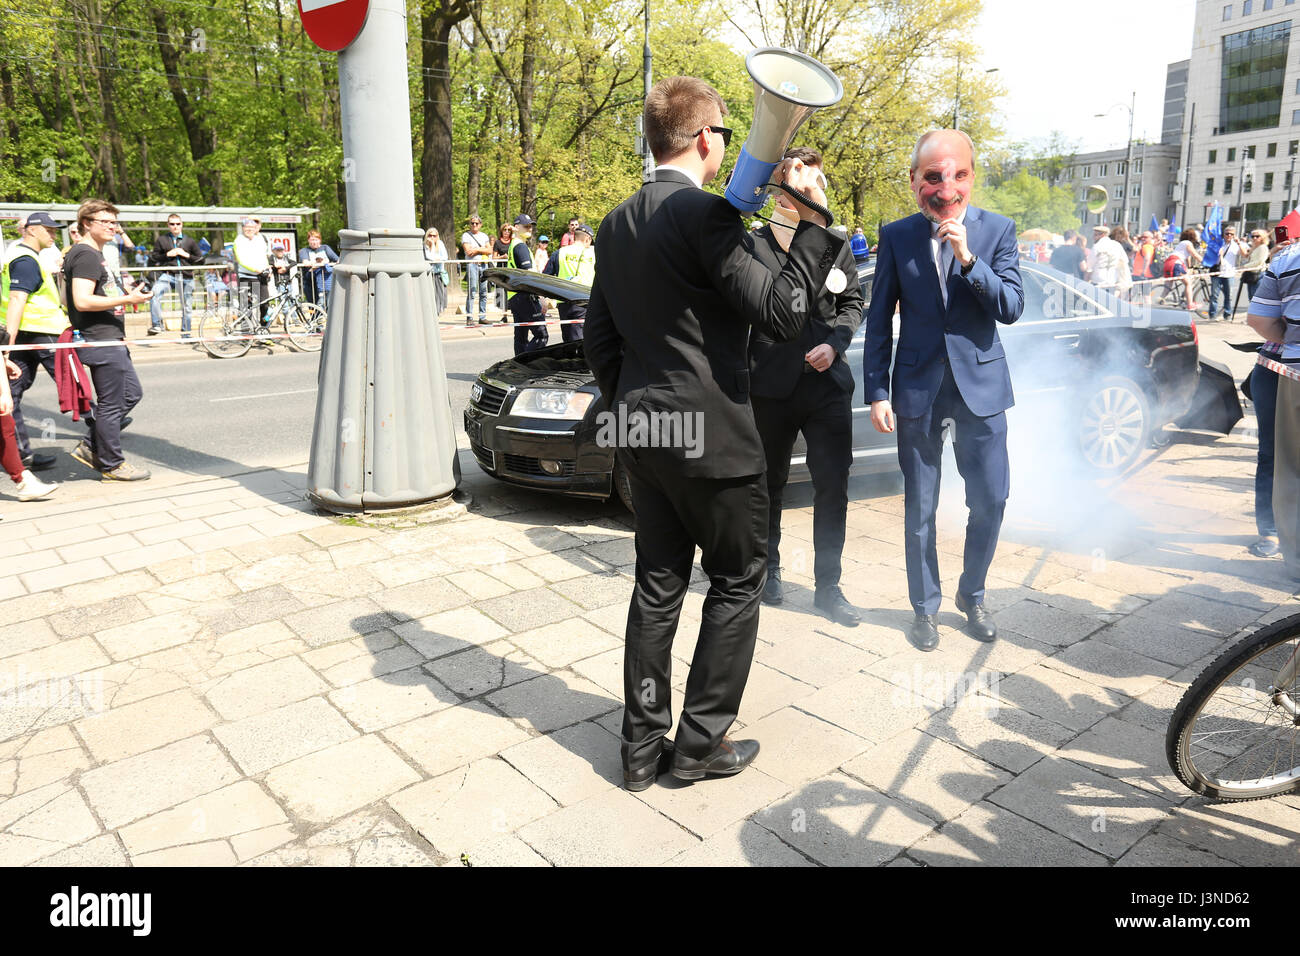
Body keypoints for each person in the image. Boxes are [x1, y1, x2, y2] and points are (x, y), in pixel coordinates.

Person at [583, 75, 841, 789]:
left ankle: (640, 750)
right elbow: (784, 315)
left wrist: (635, 404)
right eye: (725, 133)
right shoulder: (709, 216)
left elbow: (599, 338)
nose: (727, 145)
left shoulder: (616, 221)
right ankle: (698, 745)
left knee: (657, 584)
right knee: (736, 581)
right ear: (704, 139)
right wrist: (813, 220)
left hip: (643, 432)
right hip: (715, 440)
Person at [864, 128, 1024, 652]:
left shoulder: (997, 230)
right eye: (933, 176)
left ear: (972, 178)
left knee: (992, 499)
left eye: (958, 175)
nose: (946, 188)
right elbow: (879, 319)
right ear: (915, 181)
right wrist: (877, 390)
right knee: (920, 507)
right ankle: (924, 608)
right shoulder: (897, 236)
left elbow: (1011, 308)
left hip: (982, 388)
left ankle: (972, 595)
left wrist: (969, 260)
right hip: (918, 389)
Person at [750, 147, 863, 627]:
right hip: (771, 383)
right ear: (780, 188)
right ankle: (768, 572)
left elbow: (852, 303)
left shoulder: (836, 243)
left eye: (815, 180)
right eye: (800, 179)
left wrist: (835, 345)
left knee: (832, 486)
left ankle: (828, 587)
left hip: (827, 386)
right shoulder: (755, 244)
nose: (811, 187)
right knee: (767, 484)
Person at [63, 199, 153, 481]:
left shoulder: (92, 254)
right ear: (86, 223)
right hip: (100, 340)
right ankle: (112, 464)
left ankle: (91, 446)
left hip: (109, 337)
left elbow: (80, 296)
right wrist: (127, 299)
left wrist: (124, 293)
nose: (113, 227)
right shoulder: (86, 255)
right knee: (112, 405)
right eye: (106, 222)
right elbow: (81, 300)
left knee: (130, 394)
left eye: (115, 222)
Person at [1246, 219, 1300, 579]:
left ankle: (1288, 547)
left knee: (1282, 459)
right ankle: (1270, 531)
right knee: (1275, 455)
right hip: (1277, 368)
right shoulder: (1285, 258)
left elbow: (1260, 319)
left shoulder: (1288, 259)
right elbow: (1259, 319)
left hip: (1287, 367)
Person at [1, 211, 72, 475]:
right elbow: (17, 300)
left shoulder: (27, 256)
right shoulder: (26, 260)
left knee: (12, 392)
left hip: (31, 331)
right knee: (72, 386)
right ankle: (102, 434)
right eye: (48, 230)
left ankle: (22, 454)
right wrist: (8, 344)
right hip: (43, 331)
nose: (53, 235)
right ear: (31, 230)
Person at [147, 213, 203, 338]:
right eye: (172, 224)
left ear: (182, 224)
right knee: (154, 293)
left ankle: (186, 334)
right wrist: (167, 254)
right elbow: (153, 257)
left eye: (178, 224)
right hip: (168, 275)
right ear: (168, 225)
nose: (175, 226)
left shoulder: (189, 240)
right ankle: (157, 324)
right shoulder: (162, 240)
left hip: (187, 277)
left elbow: (201, 260)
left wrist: (185, 254)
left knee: (187, 307)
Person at [506, 214, 547, 355]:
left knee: (521, 337)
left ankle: (517, 366)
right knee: (541, 336)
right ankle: (526, 364)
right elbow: (529, 275)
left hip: (515, 296)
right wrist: (541, 297)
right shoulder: (520, 247)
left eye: (531, 226)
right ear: (516, 227)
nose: (530, 228)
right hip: (525, 296)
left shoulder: (514, 245)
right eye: (526, 226)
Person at [547, 221, 595, 341]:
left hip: (563, 301)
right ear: (588, 239)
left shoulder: (559, 253)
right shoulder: (594, 253)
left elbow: (546, 276)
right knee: (580, 338)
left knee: (567, 338)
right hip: (584, 300)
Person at [234, 217, 271, 323]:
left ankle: (264, 327)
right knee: (245, 306)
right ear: (243, 228)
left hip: (261, 276)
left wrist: (267, 268)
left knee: (265, 304)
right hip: (246, 277)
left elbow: (264, 256)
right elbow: (240, 260)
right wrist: (255, 269)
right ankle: (246, 330)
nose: (249, 229)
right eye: (247, 227)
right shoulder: (239, 240)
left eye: (252, 227)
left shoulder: (260, 239)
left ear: (255, 228)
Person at [460, 216, 493, 326]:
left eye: (476, 223)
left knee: (483, 292)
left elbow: (490, 250)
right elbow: (469, 252)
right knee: (472, 291)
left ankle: (482, 317)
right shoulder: (466, 235)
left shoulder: (484, 236)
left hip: (483, 265)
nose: (474, 225)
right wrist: (483, 250)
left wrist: (477, 249)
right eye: (472, 223)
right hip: (472, 265)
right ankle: (469, 317)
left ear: (480, 225)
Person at [1209, 225, 1246, 321]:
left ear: (1234, 235)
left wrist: (1239, 243)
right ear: (1224, 234)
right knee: (1214, 295)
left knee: (1228, 296)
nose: (1229, 235)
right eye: (1227, 233)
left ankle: (1227, 314)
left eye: (1231, 234)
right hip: (1217, 272)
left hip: (1229, 273)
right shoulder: (1218, 243)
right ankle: (1212, 315)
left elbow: (1244, 254)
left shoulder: (1235, 245)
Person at [299, 229, 338, 311]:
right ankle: (315, 318)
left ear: (320, 240)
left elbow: (337, 260)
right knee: (313, 305)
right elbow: (306, 262)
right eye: (312, 240)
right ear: (308, 240)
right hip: (310, 282)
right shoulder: (304, 251)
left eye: (316, 239)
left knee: (328, 304)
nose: (314, 242)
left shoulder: (325, 248)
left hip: (325, 282)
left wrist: (319, 264)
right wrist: (321, 263)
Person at [423, 227, 449, 319]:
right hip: (430, 273)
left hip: (439, 273)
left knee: (440, 294)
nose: (432, 237)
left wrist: (437, 258)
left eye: (434, 236)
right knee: (432, 294)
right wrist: (432, 246)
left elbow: (445, 257)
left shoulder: (440, 243)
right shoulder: (425, 245)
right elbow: (429, 257)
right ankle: (432, 314)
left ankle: (438, 312)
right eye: (430, 235)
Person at [1240, 228, 1271, 304]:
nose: (1254, 238)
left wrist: (1244, 266)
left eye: (1257, 236)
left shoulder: (1263, 247)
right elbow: (1248, 257)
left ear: (1262, 237)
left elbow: (1259, 261)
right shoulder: (1254, 247)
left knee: (1256, 298)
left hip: (1258, 274)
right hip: (1251, 274)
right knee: (1251, 298)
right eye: (1253, 236)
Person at [492, 223, 513, 316]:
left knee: (512, 290)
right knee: (502, 291)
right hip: (501, 270)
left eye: (509, 230)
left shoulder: (513, 241)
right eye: (505, 230)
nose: (507, 232)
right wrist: (502, 257)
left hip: (511, 269)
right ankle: (504, 315)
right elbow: (494, 257)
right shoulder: (497, 243)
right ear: (501, 231)